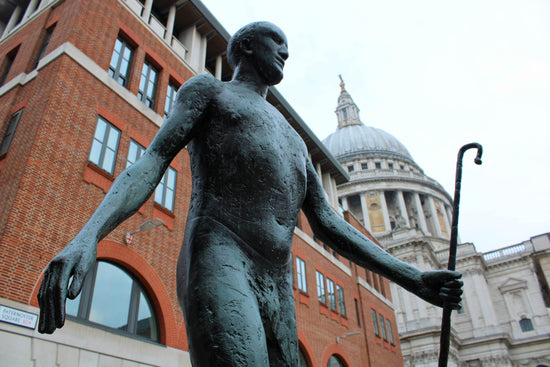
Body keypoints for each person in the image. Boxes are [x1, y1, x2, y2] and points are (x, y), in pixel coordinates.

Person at [38, 21, 462, 366]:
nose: (285, 52)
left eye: (288, 47)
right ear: (244, 47)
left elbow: (329, 225)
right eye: (276, 41)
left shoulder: (294, 140)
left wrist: (415, 278)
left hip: (276, 278)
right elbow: (151, 162)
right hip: (222, 253)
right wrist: (88, 235)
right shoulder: (210, 91)